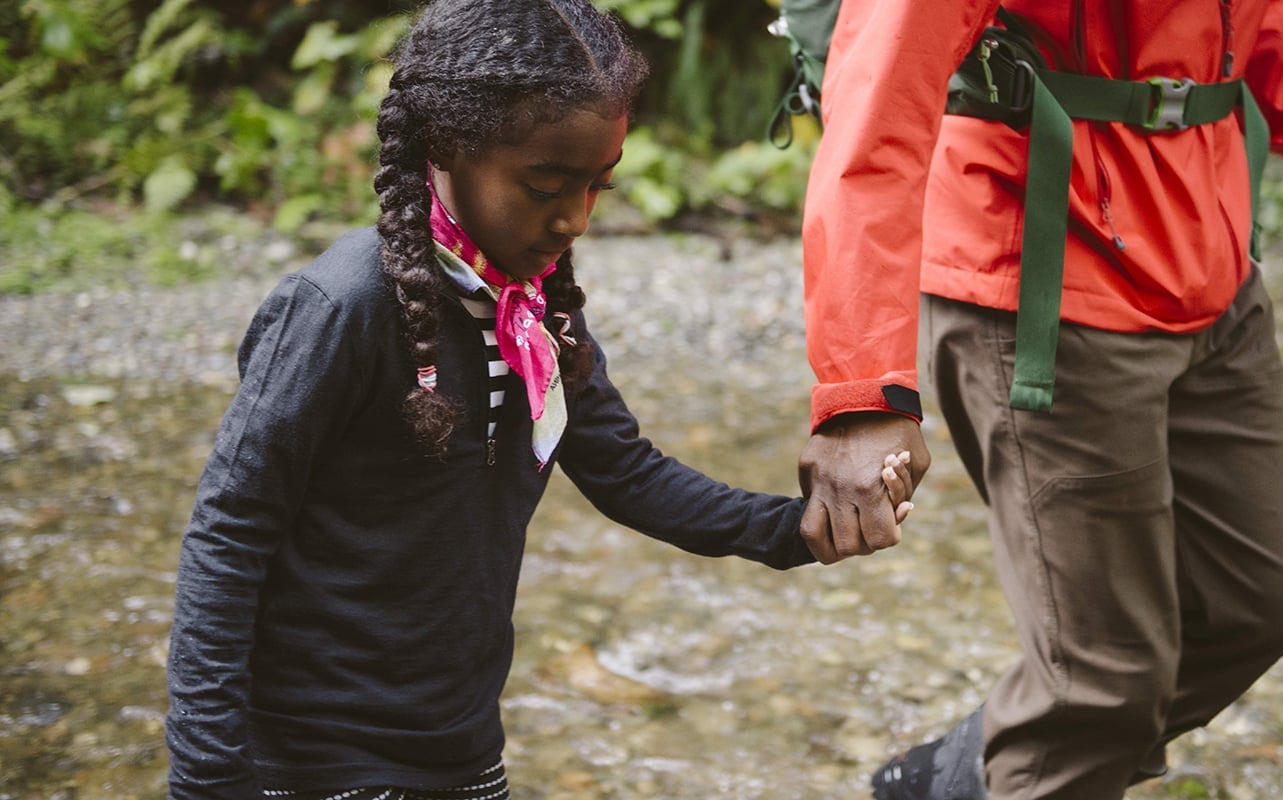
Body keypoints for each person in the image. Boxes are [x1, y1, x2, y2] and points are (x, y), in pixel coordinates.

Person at [162, 2, 914, 797]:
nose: (574, 218)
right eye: (546, 183)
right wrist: (208, 776)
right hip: (312, 757)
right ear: (448, 144)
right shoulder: (343, 305)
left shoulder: (537, 312)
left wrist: (800, 528)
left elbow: (629, 475)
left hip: (459, 747)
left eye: (599, 185)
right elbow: (228, 534)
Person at [792, 1, 1283, 798]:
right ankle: (1021, 769)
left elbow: (1265, 21)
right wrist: (860, 391)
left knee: (1260, 604)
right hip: (1043, 270)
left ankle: (971, 774)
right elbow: (878, 106)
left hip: (1211, 258)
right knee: (1104, 681)